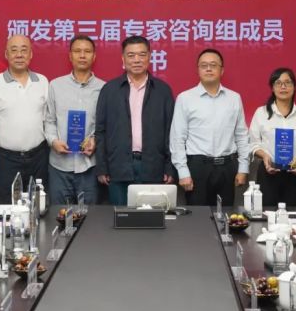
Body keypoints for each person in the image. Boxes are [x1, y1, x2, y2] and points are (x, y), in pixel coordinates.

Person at [95, 35, 175, 206]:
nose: (137, 60)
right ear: (123, 58)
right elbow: (100, 131)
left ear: (150, 57)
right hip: (118, 166)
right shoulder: (109, 90)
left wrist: (169, 166)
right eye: (131, 55)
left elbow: (171, 131)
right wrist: (102, 167)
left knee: (151, 218)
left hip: (153, 166)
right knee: (120, 217)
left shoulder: (163, 91)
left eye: (142, 54)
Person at [170, 49, 249, 206]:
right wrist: (183, 171)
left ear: (222, 70)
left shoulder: (234, 98)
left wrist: (243, 168)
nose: (208, 69)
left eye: (213, 65)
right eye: (204, 65)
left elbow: (241, 135)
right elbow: (177, 138)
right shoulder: (185, 98)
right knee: (197, 217)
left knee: (226, 215)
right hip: (197, 167)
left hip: (227, 167)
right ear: (198, 70)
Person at [0, 34, 49, 204]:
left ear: (31, 54)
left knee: (38, 207)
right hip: (5, 160)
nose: (19, 55)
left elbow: (48, 121)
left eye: (24, 50)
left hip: (38, 158)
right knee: (6, 208)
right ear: (6, 54)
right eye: (14, 50)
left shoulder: (42, 81)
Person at [45, 35, 105, 205]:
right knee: (58, 215)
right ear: (70, 56)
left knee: (90, 216)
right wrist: (53, 141)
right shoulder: (55, 85)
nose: (82, 55)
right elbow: (49, 120)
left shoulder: (104, 88)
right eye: (77, 51)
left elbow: (105, 126)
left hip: (89, 166)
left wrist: (95, 141)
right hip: (59, 166)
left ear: (94, 56)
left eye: (87, 51)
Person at [248, 68, 296, 207]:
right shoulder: (261, 113)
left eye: (287, 83)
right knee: (267, 214)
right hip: (268, 172)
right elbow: (253, 143)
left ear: (294, 87)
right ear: (272, 88)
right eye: (278, 83)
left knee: (294, 214)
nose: (283, 87)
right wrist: (264, 156)